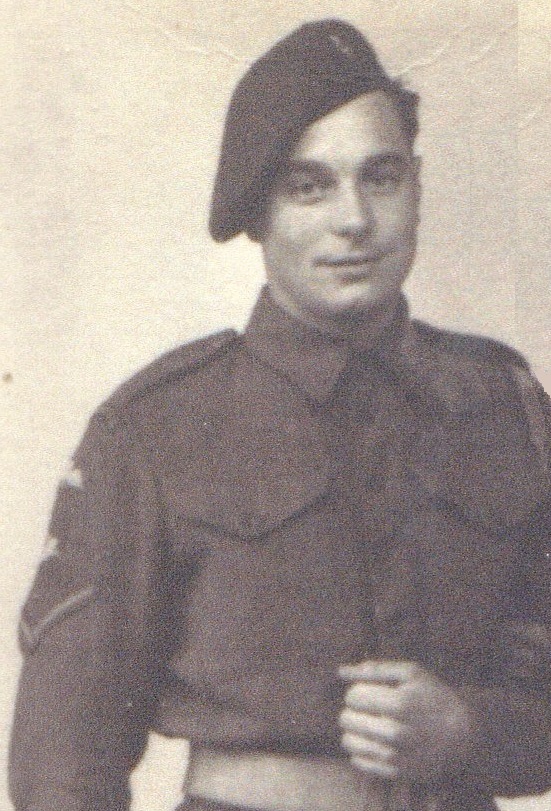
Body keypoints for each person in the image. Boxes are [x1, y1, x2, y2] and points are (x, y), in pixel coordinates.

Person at [9, 18, 551, 811]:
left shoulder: (502, 407)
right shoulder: (156, 431)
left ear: (417, 185)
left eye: (380, 177)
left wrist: (469, 730)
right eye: (309, 187)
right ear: (259, 212)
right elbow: (61, 765)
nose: (353, 219)